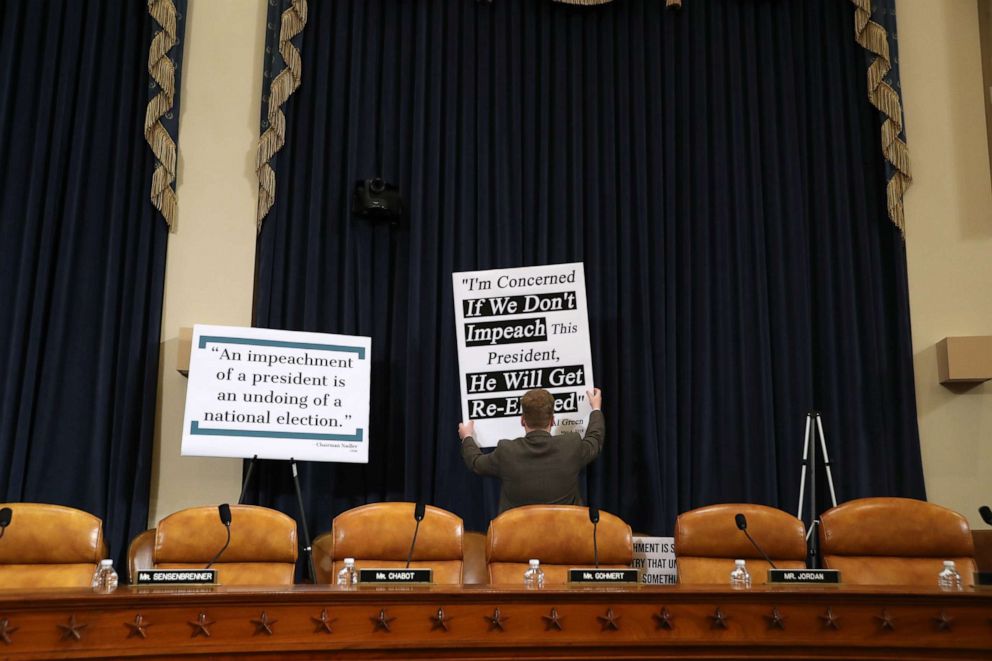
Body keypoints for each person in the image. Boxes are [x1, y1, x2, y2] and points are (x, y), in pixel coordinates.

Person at [458, 387, 604, 513]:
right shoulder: (571, 446)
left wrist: (467, 437)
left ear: (522, 420)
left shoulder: (506, 451)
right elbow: (595, 440)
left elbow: (475, 462)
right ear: (552, 420)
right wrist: (596, 408)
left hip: (517, 542)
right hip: (565, 540)